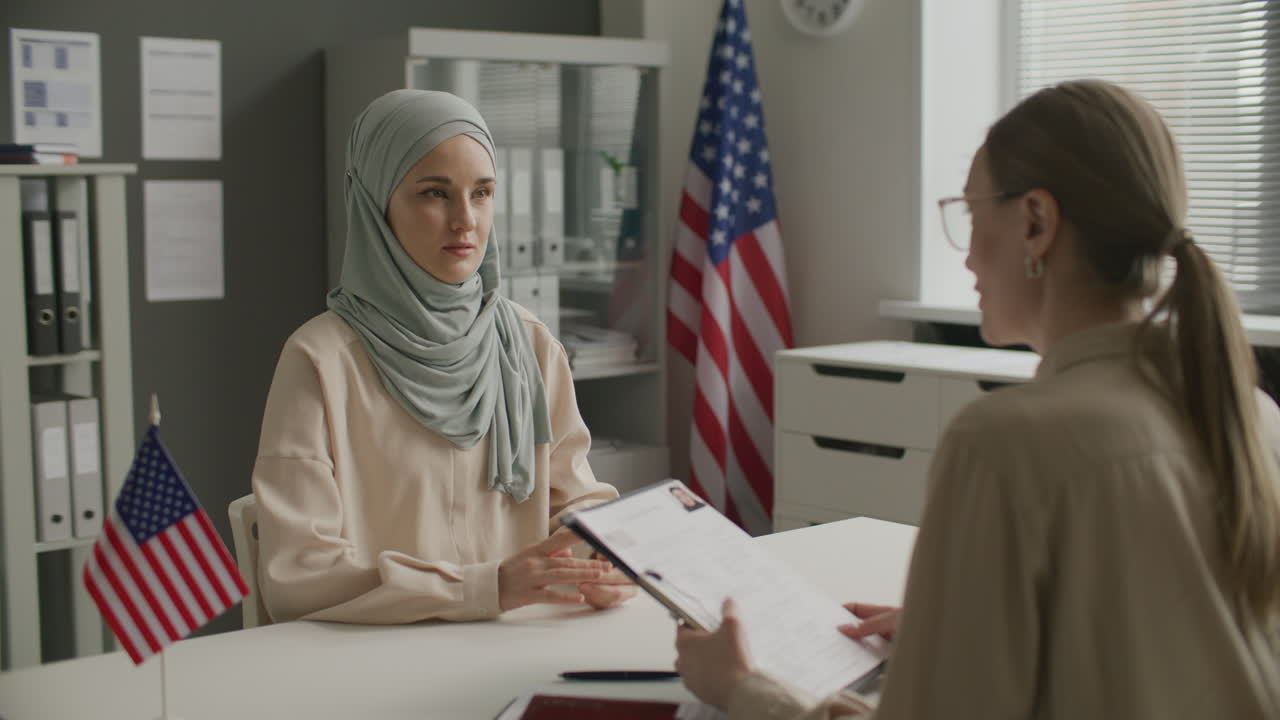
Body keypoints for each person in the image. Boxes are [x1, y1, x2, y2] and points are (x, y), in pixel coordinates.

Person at [674, 79, 1280, 718]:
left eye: (969, 214)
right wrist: (963, 631)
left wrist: (742, 688)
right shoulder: (1251, 418)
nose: (966, 260)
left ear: (1036, 222)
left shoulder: (1007, 443)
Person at [251, 89, 635, 624]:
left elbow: (574, 500)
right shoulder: (320, 360)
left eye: (482, 193)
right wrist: (481, 588)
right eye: (435, 193)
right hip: (375, 656)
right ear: (375, 203)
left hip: (516, 642)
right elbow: (297, 576)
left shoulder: (528, 343)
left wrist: (604, 557)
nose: (465, 220)